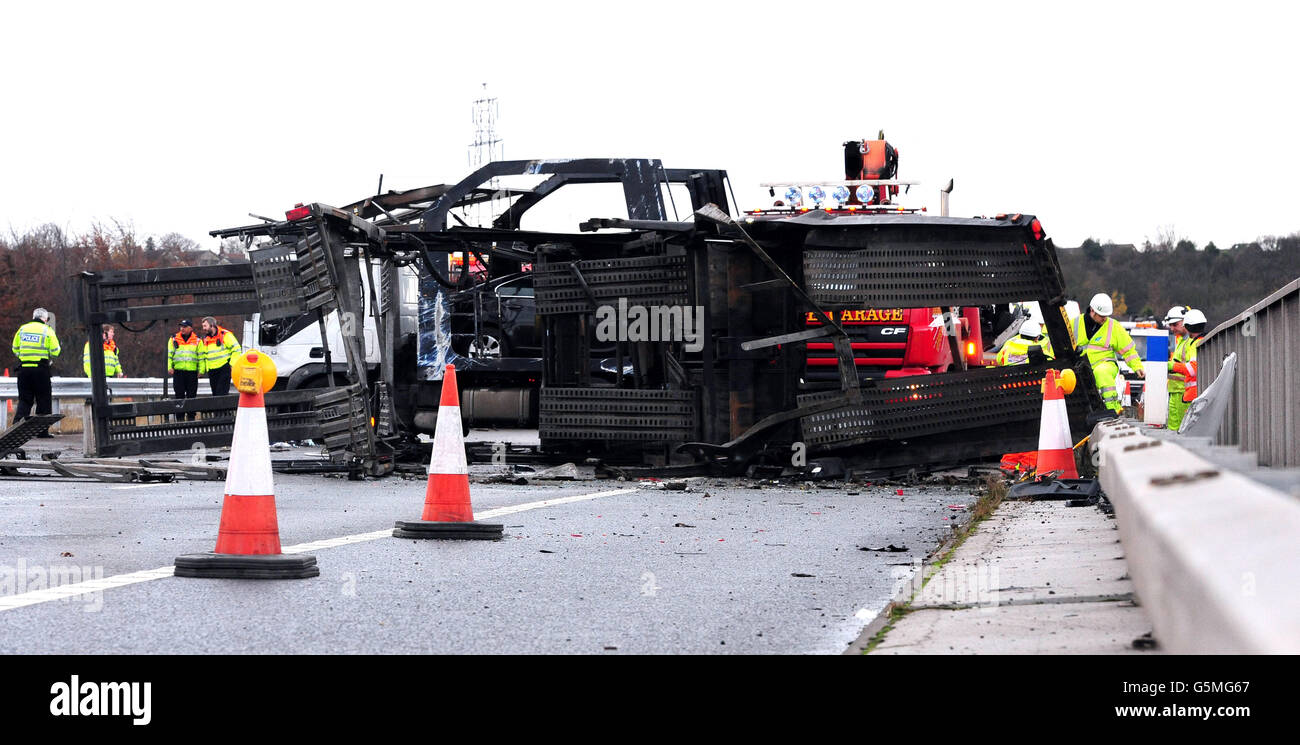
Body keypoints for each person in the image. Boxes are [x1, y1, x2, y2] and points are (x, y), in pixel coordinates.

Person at [1068, 293, 1144, 415]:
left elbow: (1128, 350)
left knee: (1102, 372)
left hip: (1106, 364)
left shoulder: (1113, 326)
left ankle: (1112, 409)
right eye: (1102, 316)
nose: (1104, 319)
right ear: (1092, 310)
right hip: (1081, 366)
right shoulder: (1074, 324)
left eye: (1106, 316)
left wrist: (1137, 366)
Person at [996, 319, 1055, 476]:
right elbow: (1050, 363)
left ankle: (1007, 468)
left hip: (1009, 397)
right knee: (1031, 435)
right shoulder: (1038, 348)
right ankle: (1027, 470)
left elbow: (999, 360)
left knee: (1014, 436)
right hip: (1029, 398)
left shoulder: (1009, 345)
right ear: (1037, 337)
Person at [11, 307, 61, 436]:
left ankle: (16, 430)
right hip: (40, 370)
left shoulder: (22, 329)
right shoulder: (47, 330)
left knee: (24, 400)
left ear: (33, 317)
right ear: (45, 319)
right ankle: (41, 432)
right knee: (43, 400)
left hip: (24, 370)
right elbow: (56, 352)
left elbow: (15, 348)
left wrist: (25, 357)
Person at [1170, 309, 1208, 424]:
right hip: (1191, 393)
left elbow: (1192, 369)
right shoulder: (1202, 341)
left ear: (1186, 326)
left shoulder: (1195, 344)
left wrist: (1172, 366)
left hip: (1192, 395)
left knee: (1186, 429)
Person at [168, 319, 203, 420]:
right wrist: (169, 367)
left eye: (184, 327)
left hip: (192, 372)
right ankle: (180, 418)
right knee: (179, 395)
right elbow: (169, 354)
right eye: (181, 326)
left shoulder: (197, 340)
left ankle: (191, 418)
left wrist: (201, 370)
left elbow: (201, 356)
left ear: (190, 328)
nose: (182, 329)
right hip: (178, 372)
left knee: (191, 396)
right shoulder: (174, 339)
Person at [1163, 305, 1191, 429]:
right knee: (1173, 429)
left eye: (1175, 324)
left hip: (1184, 394)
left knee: (1183, 429)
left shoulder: (1191, 343)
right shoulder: (1180, 341)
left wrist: (1170, 365)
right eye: (1170, 325)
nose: (1172, 328)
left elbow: (1191, 368)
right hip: (1174, 392)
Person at [199, 316, 241, 396]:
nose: (203, 328)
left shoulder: (225, 335)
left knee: (221, 394)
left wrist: (232, 364)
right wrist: (205, 369)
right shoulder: (205, 339)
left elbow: (237, 349)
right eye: (203, 326)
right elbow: (205, 355)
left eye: (205, 326)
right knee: (215, 394)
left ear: (212, 325)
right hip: (212, 371)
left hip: (224, 368)